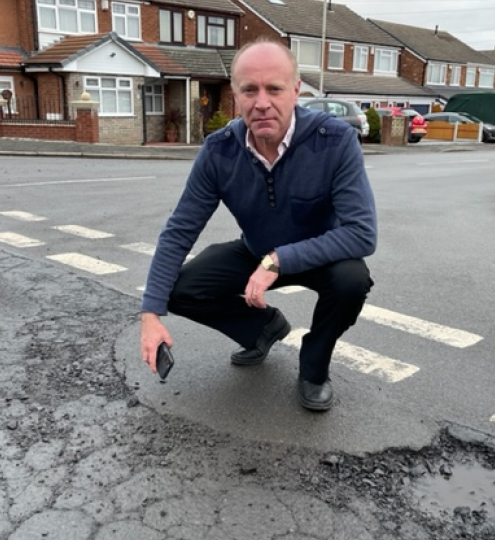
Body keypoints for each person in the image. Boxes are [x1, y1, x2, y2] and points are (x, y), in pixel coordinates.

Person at [139, 39, 377, 411]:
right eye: (250, 90)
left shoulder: (335, 141)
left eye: (274, 89)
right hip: (255, 251)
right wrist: (150, 314)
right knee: (176, 287)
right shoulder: (219, 150)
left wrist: (278, 260)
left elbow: (361, 233)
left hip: (319, 258)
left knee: (352, 281)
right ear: (235, 95)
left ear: (296, 90)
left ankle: (314, 366)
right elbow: (179, 231)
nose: (261, 102)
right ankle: (262, 329)